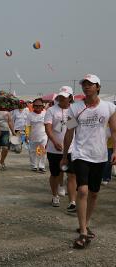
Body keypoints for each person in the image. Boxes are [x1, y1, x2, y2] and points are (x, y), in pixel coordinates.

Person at [61, 74, 116, 249]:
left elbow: (114, 130)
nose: (86, 87)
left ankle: (85, 223)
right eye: (84, 85)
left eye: (90, 84)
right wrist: (64, 154)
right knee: (83, 191)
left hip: (100, 155)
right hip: (80, 154)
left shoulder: (109, 108)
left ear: (98, 87)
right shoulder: (74, 108)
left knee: (94, 193)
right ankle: (83, 233)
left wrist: (115, 150)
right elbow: (69, 132)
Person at [44, 86, 77, 211]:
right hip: (54, 149)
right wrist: (54, 141)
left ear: (70, 98)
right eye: (61, 97)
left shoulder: (72, 111)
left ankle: (72, 201)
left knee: (72, 174)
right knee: (55, 174)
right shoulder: (51, 110)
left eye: (65, 97)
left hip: (70, 149)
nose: (62, 99)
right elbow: (48, 128)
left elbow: (73, 129)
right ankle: (55, 195)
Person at [25, 98, 47, 173]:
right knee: (32, 151)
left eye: (40, 106)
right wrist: (27, 135)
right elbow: (27, 126)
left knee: (42, 151)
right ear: (33, 106)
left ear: (42, 106)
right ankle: (34, 166)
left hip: (43, 136)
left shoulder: (45, 113)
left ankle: (41, 166)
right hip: (32, 136)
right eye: (36, 106)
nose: (38, 107)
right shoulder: (29, 115)